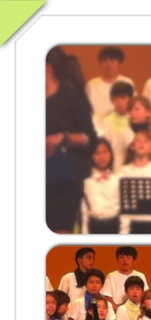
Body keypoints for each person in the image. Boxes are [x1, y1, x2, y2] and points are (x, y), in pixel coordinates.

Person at [46, 46, 96, 233]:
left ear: (49, 66)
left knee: (59, 229)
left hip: (64, 176)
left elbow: (90, 139)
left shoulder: (71, 96)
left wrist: (64, 137)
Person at [118, 129, 151, 234]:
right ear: (132, 146)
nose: (142, 144)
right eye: (138, 141)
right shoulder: (124, 170)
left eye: (146, 141)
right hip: (130, 220)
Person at [85, 47, 135, 133]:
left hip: (123, 128)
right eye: (105, 61)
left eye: (113, 60)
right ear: (100, 63)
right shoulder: (91, 85)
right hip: (99, 129)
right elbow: (88, 111)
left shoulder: (127, 82)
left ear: (119, 63)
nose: (109, 64)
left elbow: (133, 106)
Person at [81, 138, 120, 234]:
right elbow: (84, 210)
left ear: (111, 154)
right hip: (94, 225)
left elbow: (123, 209)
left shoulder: (117, 179)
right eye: (97, 153)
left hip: (114, 224)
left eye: (105, 152)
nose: (102, 157)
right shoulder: (87, 181)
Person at [98, 81, 135, 171]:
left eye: (123, 98)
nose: (119, 101)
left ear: (130, 98)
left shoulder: (135, 119)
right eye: (116, 98)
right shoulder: (105, 120)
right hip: (110, 166)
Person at [102, 247, 149, 312]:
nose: (125, 260)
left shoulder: (140, 276)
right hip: (116, 311)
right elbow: (107, 297)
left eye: (128, 257)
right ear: (117, 259)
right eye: (121, 257)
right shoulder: (111, 276)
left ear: (133, 260)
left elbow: (145, 295)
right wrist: (118, 309)